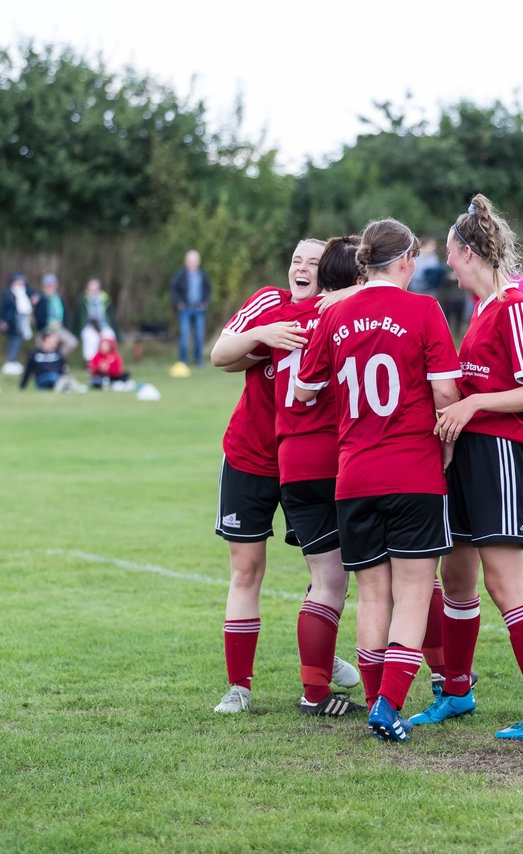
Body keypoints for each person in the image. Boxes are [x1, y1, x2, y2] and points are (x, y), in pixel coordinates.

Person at [407, 194, 523, 740]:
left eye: (452, 254)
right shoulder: (482, 311)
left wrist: (473, 404)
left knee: (504, 583)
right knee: (456, 577)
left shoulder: (515, 308)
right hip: (467, 456)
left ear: (468, 251)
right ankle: (456, 691)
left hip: (500, 455)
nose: (447, 264)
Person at [293, 218, 462, 742]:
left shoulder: (337, 312)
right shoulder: (424, 309)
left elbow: (303, 389)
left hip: (355, 473)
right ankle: (388, 706)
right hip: (412, 470)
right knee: (413, 592)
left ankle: (373, 700)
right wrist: (448, 448)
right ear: (407, 259)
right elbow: (447, 397)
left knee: (372, 595)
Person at [261, 235, 368, 717]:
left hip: (291, 461)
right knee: (373, 578)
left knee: (325, 580)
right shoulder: (344, 316)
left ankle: (314, 691)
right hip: (337, 456)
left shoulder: (290, 315)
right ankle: (432, 676)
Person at [206, 238, 314, 713]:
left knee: (327, 573)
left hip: (308, 460)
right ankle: (239, 687)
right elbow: (219, 354)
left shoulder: (339, 312)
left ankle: (320, 655)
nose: (301, 269)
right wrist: (262, 335)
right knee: (246, 569)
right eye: (295, 260)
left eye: (313, 262)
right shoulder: (270, 300)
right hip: (250, 455)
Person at [170, 250, 211, 366]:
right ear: (186, 262)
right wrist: (178, 303)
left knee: (199, 336)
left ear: (198, 262)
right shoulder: (180, 275)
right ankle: (183, 362)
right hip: (185, 309)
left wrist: (205, 303)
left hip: (199, 309)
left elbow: (208, 291)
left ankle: (198, 361)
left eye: (194, 260)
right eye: (190, 261)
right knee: (184, 336)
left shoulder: (203, 275)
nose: (192, 263)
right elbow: (173, 290)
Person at [0, 274, 37, 374]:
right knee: (13, 340)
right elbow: (3, 308)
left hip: (23, 322)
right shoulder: (8, 293)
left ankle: (13, 361)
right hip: (12, 322)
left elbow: (35, 295)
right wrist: (3, 321)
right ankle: (10, 361)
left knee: (18, 340)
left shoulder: (26, 291)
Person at [34, 274, 78, 355]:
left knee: (72, 342)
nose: (49, 288)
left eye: (51, 285)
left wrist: (61, 325)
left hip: (59, 329)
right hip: (44, 330)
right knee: (45, 346)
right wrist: (49, 324)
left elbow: (65, 315)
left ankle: (58, 360)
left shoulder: (59, 299)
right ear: (43, 286)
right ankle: (47, 361)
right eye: (47, 285)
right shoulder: (39, 299)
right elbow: (38, 317)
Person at [77, 278, 115, 362]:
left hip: (103, 326)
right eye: (91, 289)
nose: (94, 291)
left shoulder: (105, 299)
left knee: (110, 336)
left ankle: (109, 361)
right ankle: (91, 362)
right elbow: (79, 319)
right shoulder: (83, 300)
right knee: (91, 339)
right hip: (89, 327)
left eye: (96, 289)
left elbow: (111, 317)